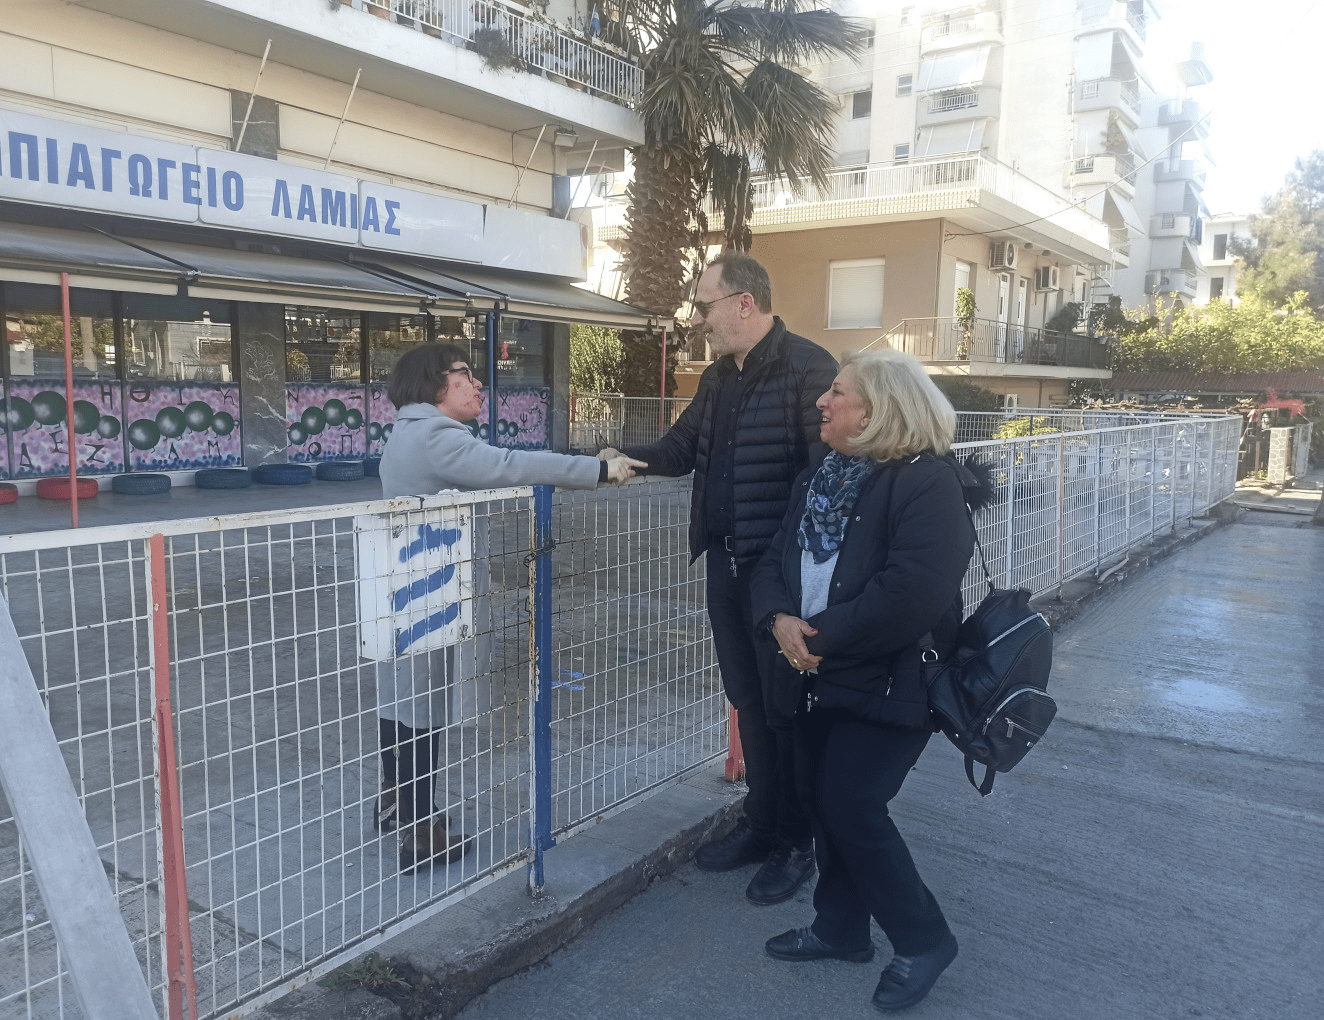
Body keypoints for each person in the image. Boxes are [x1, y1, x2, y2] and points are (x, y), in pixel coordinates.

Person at [750, 347, 990, 1012]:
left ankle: (924, 939)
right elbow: (774, 559)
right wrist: (777, 620)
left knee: (852, 806)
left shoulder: (928, 484)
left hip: (891, 681)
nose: (822, 402)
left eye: (838, 392)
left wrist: (816, 640)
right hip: (815, 674)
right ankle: (841, 928)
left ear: (878, 409)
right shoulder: (822, 476)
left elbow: (910, 595)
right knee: (822, 801)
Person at [375, 342, 644, 872]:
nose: (478, 384)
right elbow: (508, 465)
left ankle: (396, 802)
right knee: (422, 705)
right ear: (435, 383)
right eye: (465, 374)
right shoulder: (435, 436)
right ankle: (419, 830)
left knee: (402, 699)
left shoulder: (407, 431)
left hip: (405, 584)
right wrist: (594, 469)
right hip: (429, 592)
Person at [620, 252, 838, 905]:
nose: (697, 319)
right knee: (747, 702)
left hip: (781, 578)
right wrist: (609, 461)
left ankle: (796, 841)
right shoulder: (719, 378)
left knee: (786, 710)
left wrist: (784, 574)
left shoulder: (809, 368)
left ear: (744, 302)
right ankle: (762, 823)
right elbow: (679, 450)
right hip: (726, 566)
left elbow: (822, 478)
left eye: (703, 305)